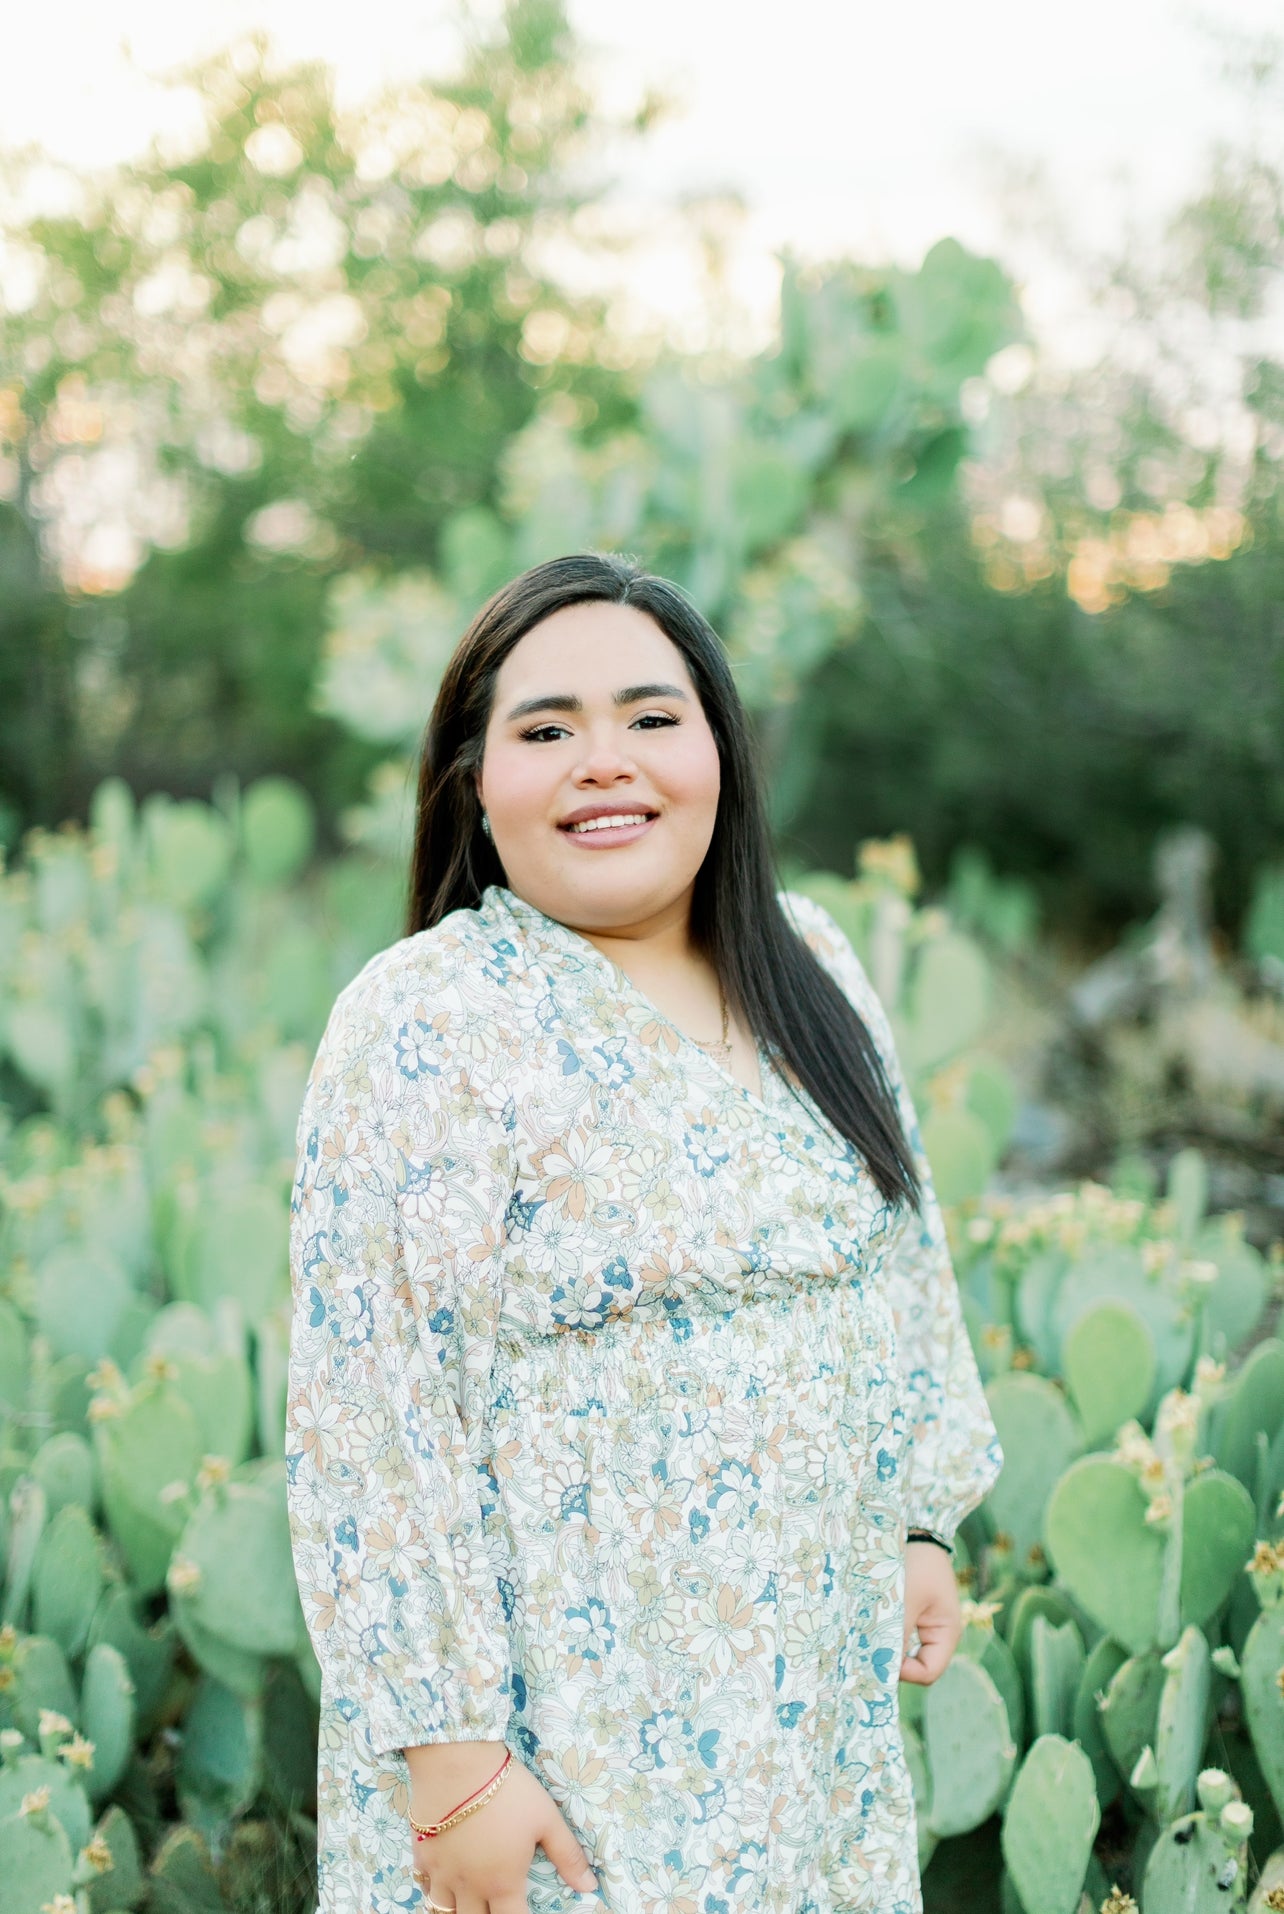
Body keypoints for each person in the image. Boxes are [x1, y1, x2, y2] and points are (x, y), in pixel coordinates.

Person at [285, 551, 1003, 1914]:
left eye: (650, 717)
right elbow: (371, 1416)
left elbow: (897, 1262)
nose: (602, 761)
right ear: (473, 783)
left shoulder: (812, 964)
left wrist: (921, 1519)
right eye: (545, 730)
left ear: (719, 750)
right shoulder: (429, 1018)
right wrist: (456, 1767)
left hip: (805, 1725)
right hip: (562, 1749)